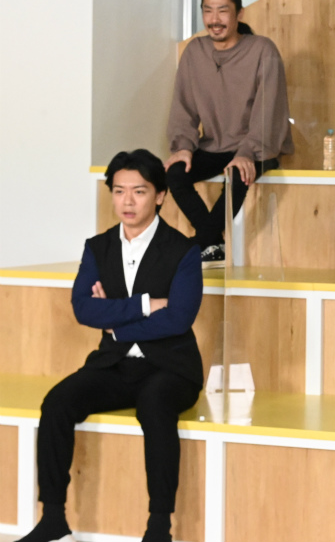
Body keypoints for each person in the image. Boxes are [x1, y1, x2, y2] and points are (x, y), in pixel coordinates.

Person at [17, 150, 204, 542]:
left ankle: (159, 528)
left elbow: (179, 318)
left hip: (172, 368)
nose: (127, 201)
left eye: (139, 191)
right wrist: (144, 305)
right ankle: (53, 520)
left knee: (154, 405)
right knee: (57, 403)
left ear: (160, 195)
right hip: (115, 364)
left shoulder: (183, 250)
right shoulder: (98, 247)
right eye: (119, 191)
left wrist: (115, 322)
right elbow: (83, 308)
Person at [165, 0, 294, 267]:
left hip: (259, 148)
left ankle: (199, 244)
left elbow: (269, 109)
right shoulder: (194, 52)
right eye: (208, 11)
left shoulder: (263, 49)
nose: (214, 19)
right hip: (214, 146)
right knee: (174, 173)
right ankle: (213, 243)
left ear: (239, 14)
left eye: (223, 11)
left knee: (238, 175)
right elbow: (183, 106)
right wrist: (183, 147)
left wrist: (247, 151)